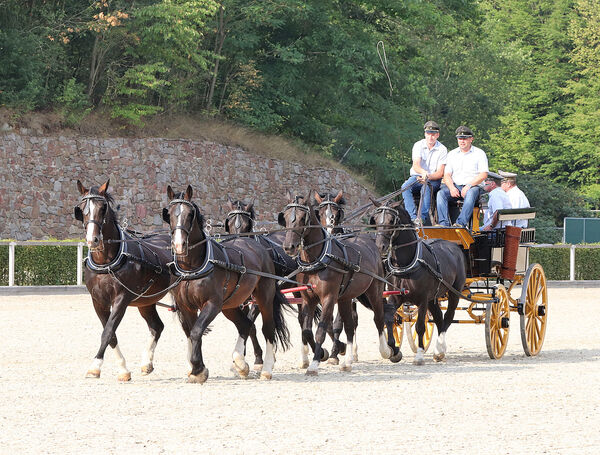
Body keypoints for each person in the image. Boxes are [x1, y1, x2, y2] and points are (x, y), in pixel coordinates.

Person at [435, 125, 489, 228]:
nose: (462, 141)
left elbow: (483, 174)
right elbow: (447, 175)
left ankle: (460, 223)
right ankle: (444, 224)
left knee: (471, 193)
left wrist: (468, 185)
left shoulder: (479, 153)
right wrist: (451, 188)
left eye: (465, 138)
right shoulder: (452, 154)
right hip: (456, 186)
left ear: (471, 139)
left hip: (473, 187)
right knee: (441, 194)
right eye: (460, 139)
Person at [401, 120, 447, 225]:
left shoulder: (442, 149)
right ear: (425, 134)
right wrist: (423, 173)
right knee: (405, 186)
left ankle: (421, 218)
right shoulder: (418, 145)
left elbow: (440, 173)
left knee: (425, 188)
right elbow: (416, 165)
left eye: (433, 134)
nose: (430, 137)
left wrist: (428, 176)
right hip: (418, 176)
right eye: (428, 134)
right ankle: (411, 217)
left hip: (433, 179)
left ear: (437, 135)